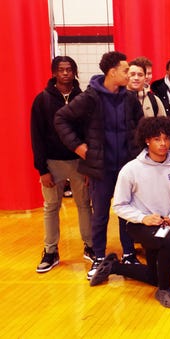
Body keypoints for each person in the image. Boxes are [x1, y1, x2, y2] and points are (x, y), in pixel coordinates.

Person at [54, 51, 144, 279]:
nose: (129, 74)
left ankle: (129, 254)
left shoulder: (130, 99)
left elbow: (141, 127)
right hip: (100, 169)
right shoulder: (90, 97)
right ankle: (99, 257)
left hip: (126, 167)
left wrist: (138, 154)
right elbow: (61, 119)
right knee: (101, 214)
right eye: (125, 71)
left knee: (127, 213)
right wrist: (79, 148)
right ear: (112, 72)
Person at [89, 117, 170, 308]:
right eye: (157, 139)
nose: (163, 143)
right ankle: (164, 290)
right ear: (147, 140)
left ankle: (113, 266)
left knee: (153, 276)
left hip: (162, 227)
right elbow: (119, 205)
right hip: (137, 226)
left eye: (166, 139)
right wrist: (144, 218)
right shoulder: (131, 169)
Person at [31, 56, 93, 273]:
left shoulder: (85, 98)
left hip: (79, 162)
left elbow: (90, 133)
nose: (65, 73)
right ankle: (50, 250)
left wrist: (90, 165)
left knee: (84, 205)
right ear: (54, 73)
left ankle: (91, 246)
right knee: (50, 207)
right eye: (61, 69)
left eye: (69, 69)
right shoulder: (42, 100)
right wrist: (42, 169)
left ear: (75, 72)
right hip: (52, 163)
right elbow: (36, 136)